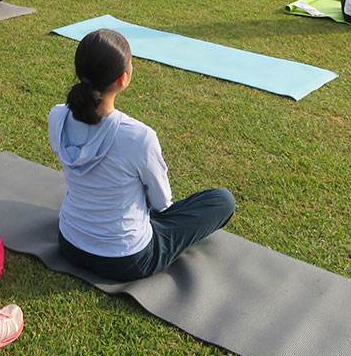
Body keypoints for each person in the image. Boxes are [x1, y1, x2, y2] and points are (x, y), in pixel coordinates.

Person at [49, 28, 235, 282]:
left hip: (69, 243)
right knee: (222, 201)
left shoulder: (57, 116)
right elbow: (161, 203)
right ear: (123, 78)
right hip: (125, 260)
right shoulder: (138, 136)